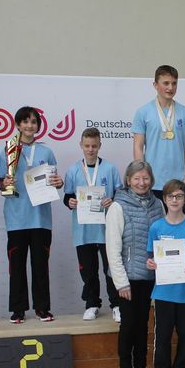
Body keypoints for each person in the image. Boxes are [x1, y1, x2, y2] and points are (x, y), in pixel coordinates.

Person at [0, 106, 63, 323]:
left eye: (34, 122)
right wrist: (4, 182)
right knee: (16, 267)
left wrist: (59, 182)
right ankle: (18, 310)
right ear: (17, 125)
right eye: (25, 122)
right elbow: (1, 182)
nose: (29, 126)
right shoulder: (8, 149)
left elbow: (54, 181)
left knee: (40, 266)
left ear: (38, 126)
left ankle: (42, 308)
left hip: (41, 219)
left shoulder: (46, 152)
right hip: (16, 217)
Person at [106, 161, 164, 368]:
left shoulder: (158, 204)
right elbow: (112, 248)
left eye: (146, 178)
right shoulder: (118, 207)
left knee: (143, 325)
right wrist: (121, 282)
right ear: (128, 180)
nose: (141, 183)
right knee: (128, 326)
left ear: (151, 180)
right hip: (127, 280)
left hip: (149, 278)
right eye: (136, 178)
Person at [145, 179, 185, 368]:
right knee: (162, 337)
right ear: (164, 199)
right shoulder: (156, 227)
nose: (175, 200)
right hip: (164, 292)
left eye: (179, 196)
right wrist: (150, 264)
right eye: (171, 196)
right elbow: (151, 258)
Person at [63, 128, 123, 322]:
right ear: (81, 145)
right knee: (88, 270)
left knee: (111, 268)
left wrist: (112, 200)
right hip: (83, 231)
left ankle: (116, 304)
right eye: (87, 146)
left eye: (94, 146)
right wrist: (70, 202)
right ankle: (91, 304)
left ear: (99, 146)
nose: (90, 149)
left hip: (107, 230)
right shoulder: (73, 170)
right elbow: (68, 197)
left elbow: (120, 195)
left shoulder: (110, 169)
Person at [132, 64, 185, 216]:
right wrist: (142, 177)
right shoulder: (143, 112)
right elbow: (138, 146)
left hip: (178, 183)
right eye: (166, 83)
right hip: (153, 183)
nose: (170, 87)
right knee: (155, 231)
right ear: (155, 85)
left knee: (180, 231)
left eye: (174, 83)